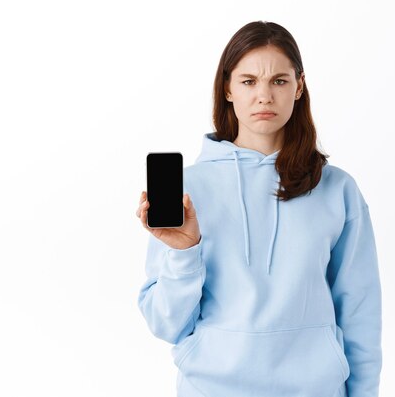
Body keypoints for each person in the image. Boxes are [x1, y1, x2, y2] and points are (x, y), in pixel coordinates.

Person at [136, 20, 382, 397]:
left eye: (279, 81)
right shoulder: (188, 191)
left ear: (299, 86)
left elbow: (361, 313)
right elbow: (166, 323)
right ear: (228, 89)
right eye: (249, 81)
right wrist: (185, 252)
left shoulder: (336, 189)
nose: (264, 95)